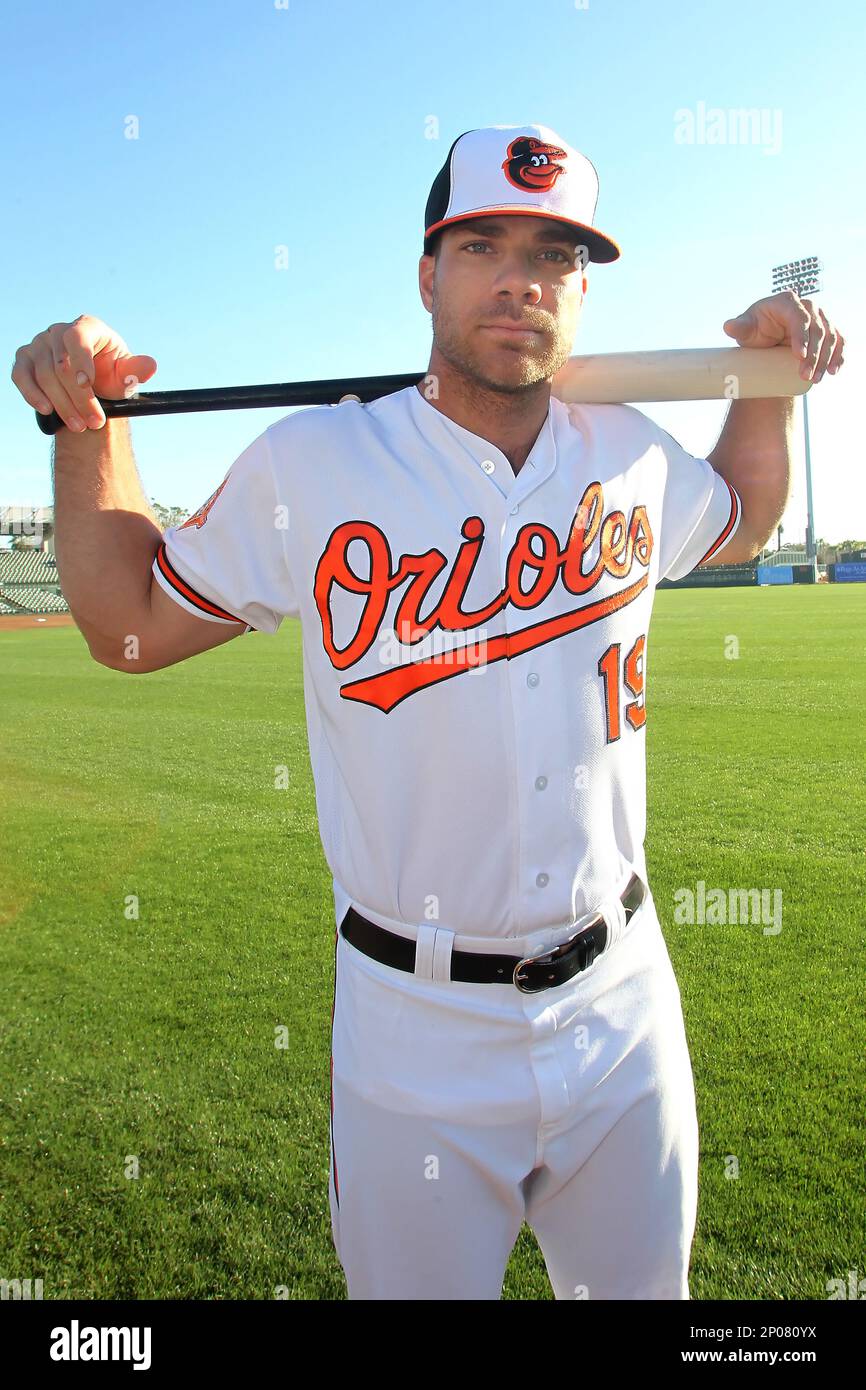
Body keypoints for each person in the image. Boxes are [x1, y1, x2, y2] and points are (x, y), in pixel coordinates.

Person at [11, 123, 844, 1300]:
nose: (521, 277)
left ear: (580, 288)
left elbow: (744, 520)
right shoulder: (316, 461)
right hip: (412, 1024)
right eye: (484, 244)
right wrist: (90, 424)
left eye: (555, 253)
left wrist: (766, 376)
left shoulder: (634, 453)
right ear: (425, 274)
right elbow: (127, 623)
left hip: (622, 1006)